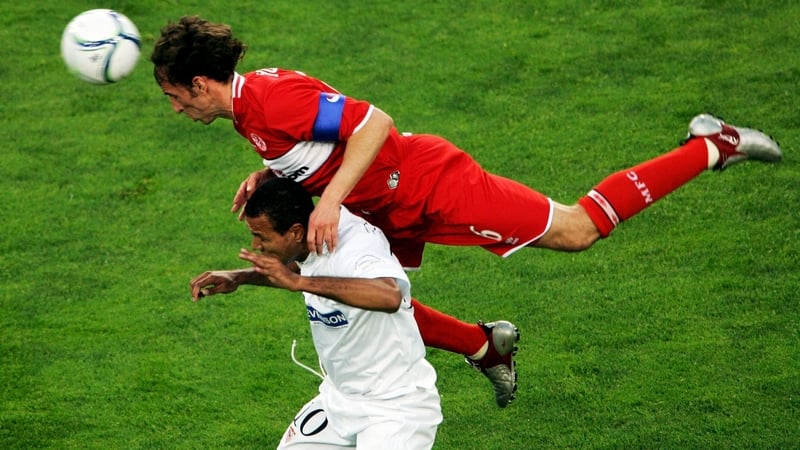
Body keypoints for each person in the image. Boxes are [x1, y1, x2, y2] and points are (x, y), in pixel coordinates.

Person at [152, 16, 783, 407]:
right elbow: (315, 142)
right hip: (385, 202)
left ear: (200, 83)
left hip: (428, 183)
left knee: (575, 230)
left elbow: (373, 123)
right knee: (363, 294)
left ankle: (712, 145)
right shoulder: (248, 111)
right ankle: (484, 347)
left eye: (177, 98)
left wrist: (332, 200)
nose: (177, 111)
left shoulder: (269, 101)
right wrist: (273, 171)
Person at [190, 177, 442, 449]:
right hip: (339, 399)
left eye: (262, 237)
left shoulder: (355, 246)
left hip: (395, 406)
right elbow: (305, 269)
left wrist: (299, 284)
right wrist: (240, 277)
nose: (255, 244)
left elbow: (389, 295)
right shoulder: (309, 242)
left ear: (296, 232)